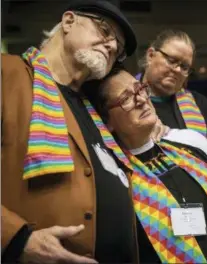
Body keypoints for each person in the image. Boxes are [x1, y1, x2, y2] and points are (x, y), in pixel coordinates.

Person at [1, 1, 164, 263]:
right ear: (68, 21)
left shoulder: (93, 108)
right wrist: (15, 240)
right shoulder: (7, 73)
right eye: (104, 30)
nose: (111, 46)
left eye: (118, 49)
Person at [88, 68, 207, 264]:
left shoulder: (191, 142)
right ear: (106, 121)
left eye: (140, 89)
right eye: (126, 98)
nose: (141, 100)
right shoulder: (113, 175)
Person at [138, 29, 207, 169]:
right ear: (150, 55)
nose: (178, 70)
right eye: (171, 60)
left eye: (184, 66)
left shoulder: (201, 104)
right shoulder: (126, 100)